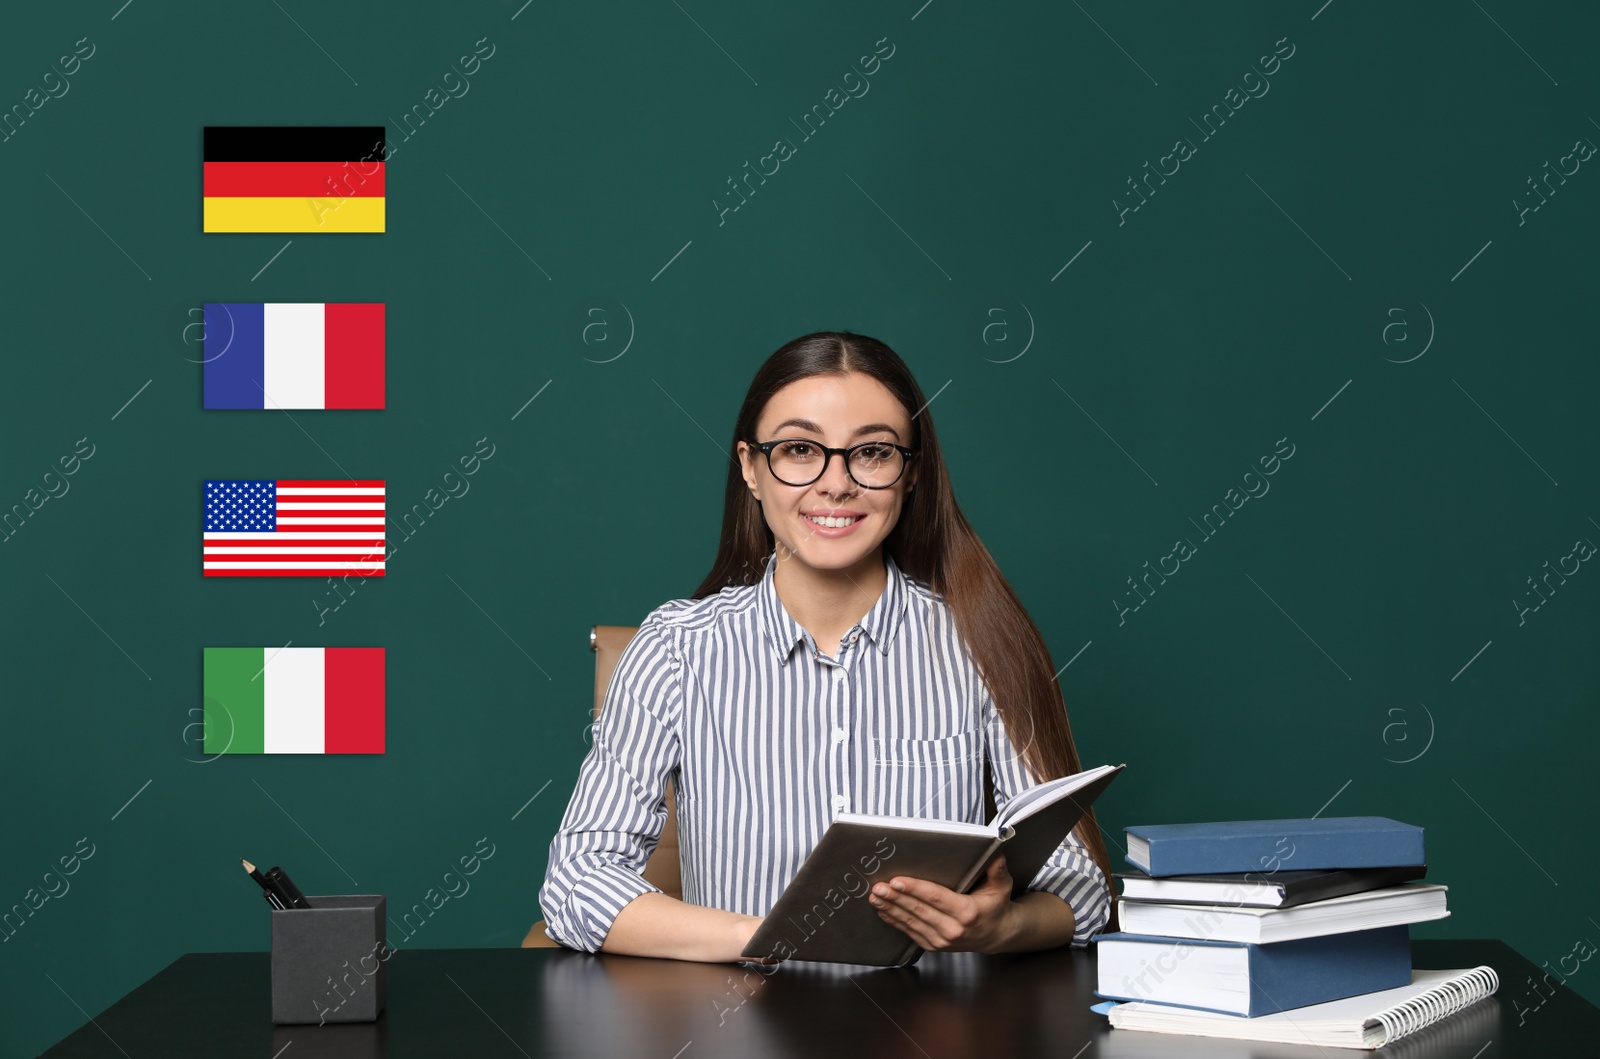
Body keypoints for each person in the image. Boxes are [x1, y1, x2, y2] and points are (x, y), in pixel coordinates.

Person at [537, 331, 1114, 963]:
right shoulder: (676, 649)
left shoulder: (978, 640)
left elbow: (1081, 889)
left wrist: (998, 929)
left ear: (911, 472)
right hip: (744, 1027)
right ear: (752, 469)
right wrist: (772, 937)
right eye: (799, 449)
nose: (835, 484)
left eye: (870, 452)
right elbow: (577, 884)